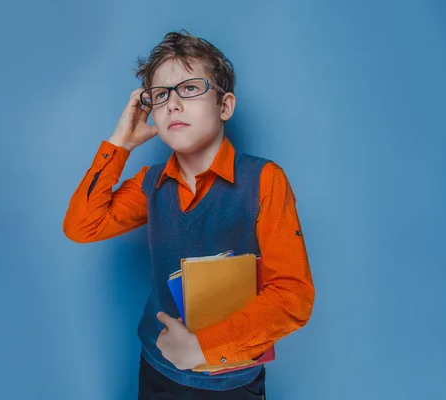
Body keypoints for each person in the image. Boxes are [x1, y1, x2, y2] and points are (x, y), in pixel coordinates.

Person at [63, 29, 315, 399]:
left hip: (230, 380)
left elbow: (293, 294)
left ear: (225, 106)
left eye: (190, 88)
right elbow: (82, 226)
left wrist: (203, 347)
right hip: (156, 368)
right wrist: (119, 144)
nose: (173, 105)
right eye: (160, 95)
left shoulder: (264, 180)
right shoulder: (151, 184)